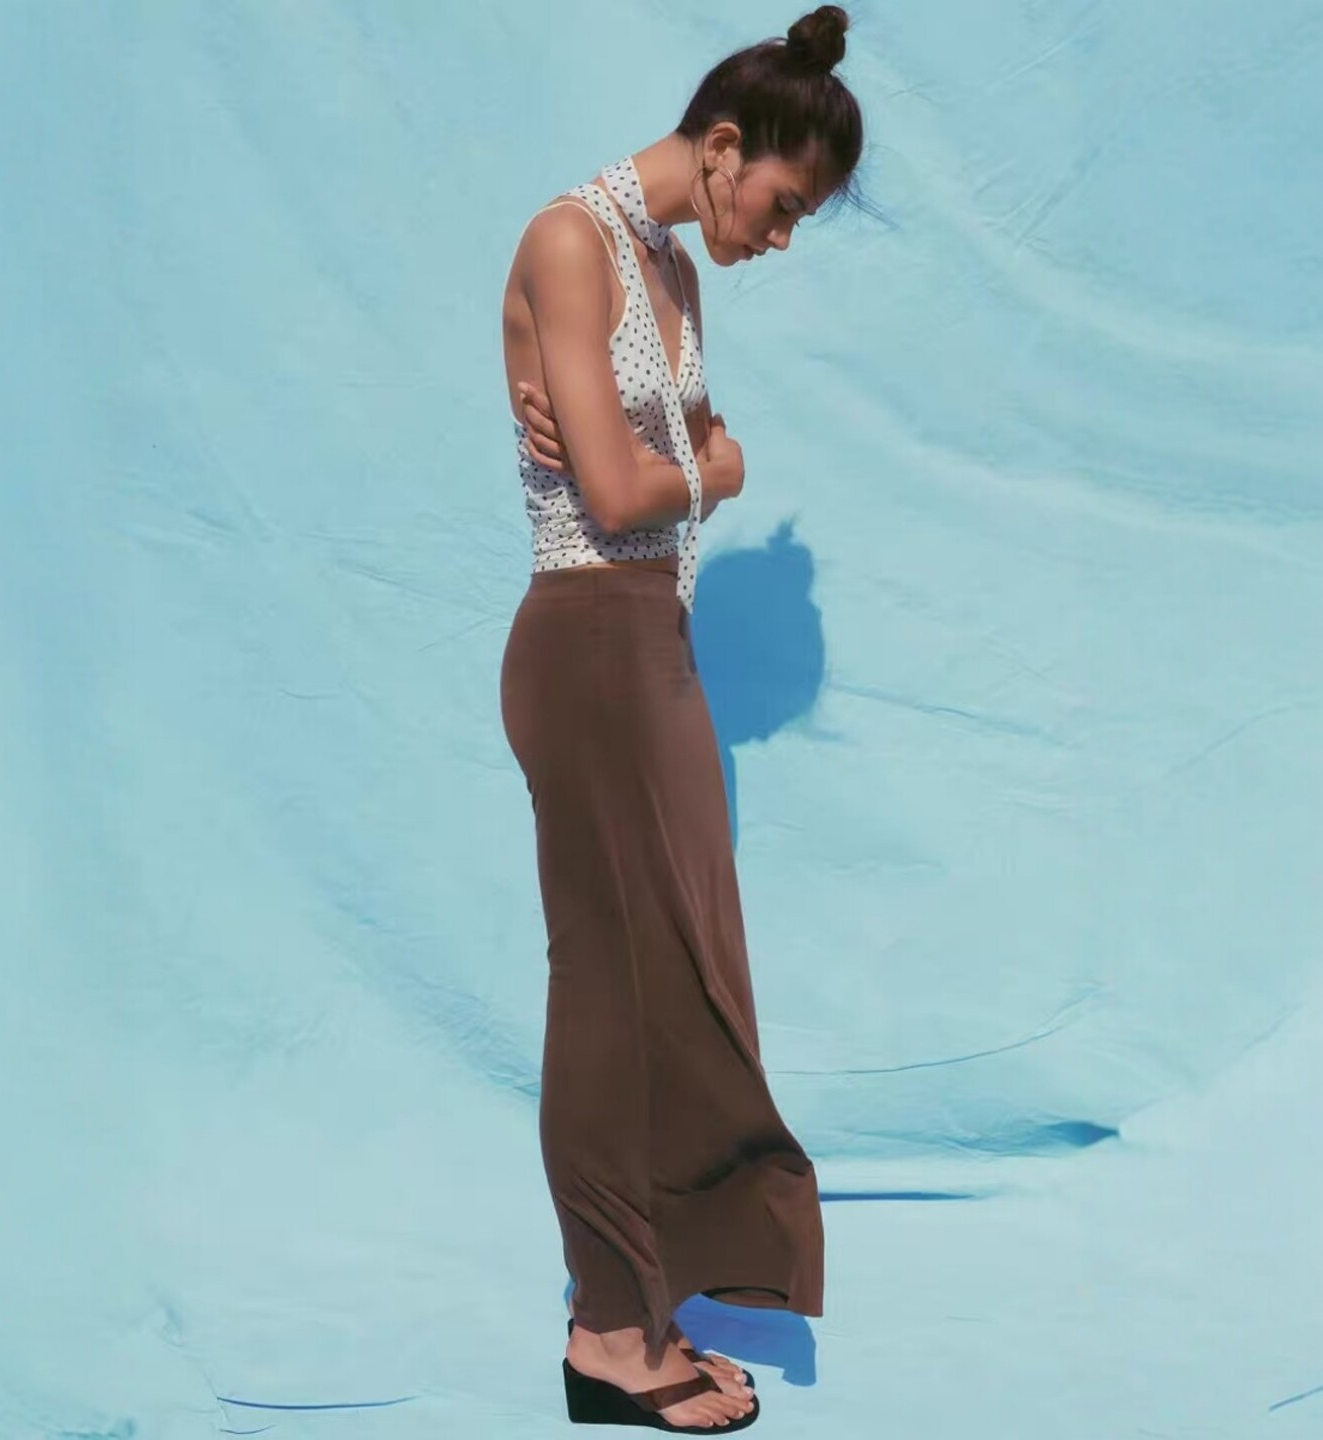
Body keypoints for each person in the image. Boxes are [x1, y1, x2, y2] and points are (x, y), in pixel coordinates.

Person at [498, 7, 864, 1430]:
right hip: (587, 645)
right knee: (608, 989)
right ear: (722, 149)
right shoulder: (567, 243)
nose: (778, 238)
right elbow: (624, 491)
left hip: (655, 642)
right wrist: (702, 467)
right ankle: (608, 1334)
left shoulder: (670, 272)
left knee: (687, 978)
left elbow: (669, 467)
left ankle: (654, 1287)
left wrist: (681, 467)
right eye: (781, 205)